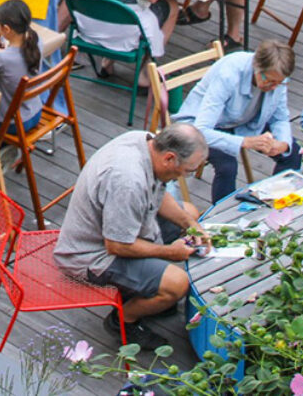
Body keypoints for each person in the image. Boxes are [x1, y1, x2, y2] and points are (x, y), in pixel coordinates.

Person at [53, 124, 207, 347]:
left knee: (189, 212)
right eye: (188, 170)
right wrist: (170, 252)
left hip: (123, 225)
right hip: (92, 254)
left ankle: (150, 291)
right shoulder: (127, 180)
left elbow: (157, 192)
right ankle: (124, 320)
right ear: (170, 158)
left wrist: (190, 223)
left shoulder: (146, 142)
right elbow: (117, 246)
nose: (187, 175)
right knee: (177, 284)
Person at [172, 42, 302, 202]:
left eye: (279, 83)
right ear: (257, 66)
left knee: (293, 151)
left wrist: (283, 143)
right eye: (268, 81)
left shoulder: (278, 77)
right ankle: (222, 218)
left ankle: (278, 201)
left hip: (245, 122)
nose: (274, 87)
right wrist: (245, 142)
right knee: (227, 167)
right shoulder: (229, 74)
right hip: (204, 126)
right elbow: (201, 130)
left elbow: (280, 117)